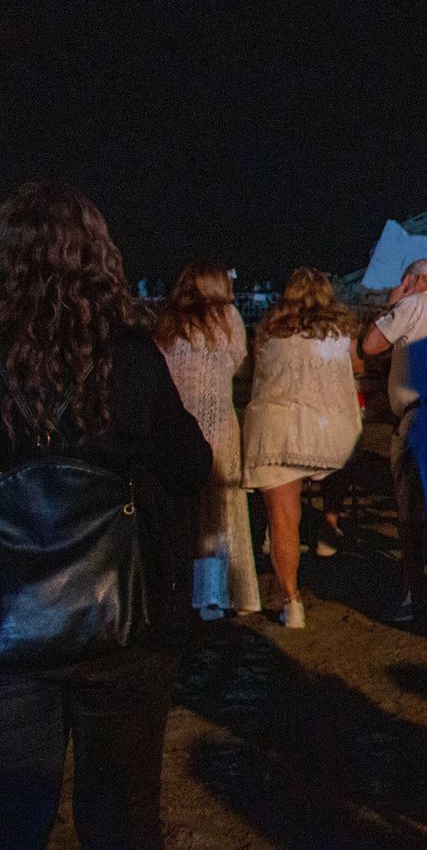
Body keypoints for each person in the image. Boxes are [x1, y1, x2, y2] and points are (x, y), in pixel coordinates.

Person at [0, 182, 212, 850]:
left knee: (11, 816)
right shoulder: (130, 359)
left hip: (8, 625)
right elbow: (190, 466)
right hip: (122, 619)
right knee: (122, 815)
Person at [241, 268, 363, 629]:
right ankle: (330, 522)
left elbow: (253, 370)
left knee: (283, 521)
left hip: (277, 430)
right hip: (327, 429)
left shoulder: (267, 331)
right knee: (340, 460)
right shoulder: (341, 331)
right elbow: (358, 366)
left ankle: (292, 602)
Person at [359, 259, 427, 621]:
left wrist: (391, 304)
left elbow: (370, 346)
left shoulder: (411, 306)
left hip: (420, 417)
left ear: (415, 280)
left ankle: (410, 593)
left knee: (411, 511)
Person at [154, 260, 260, 620]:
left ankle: (180, 590)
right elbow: (238, 361)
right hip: (219, 425)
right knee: (219, 513)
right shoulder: (228, 318)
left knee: (182, 510)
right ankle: (212, 594)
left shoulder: (167, 321)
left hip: (177, 426)